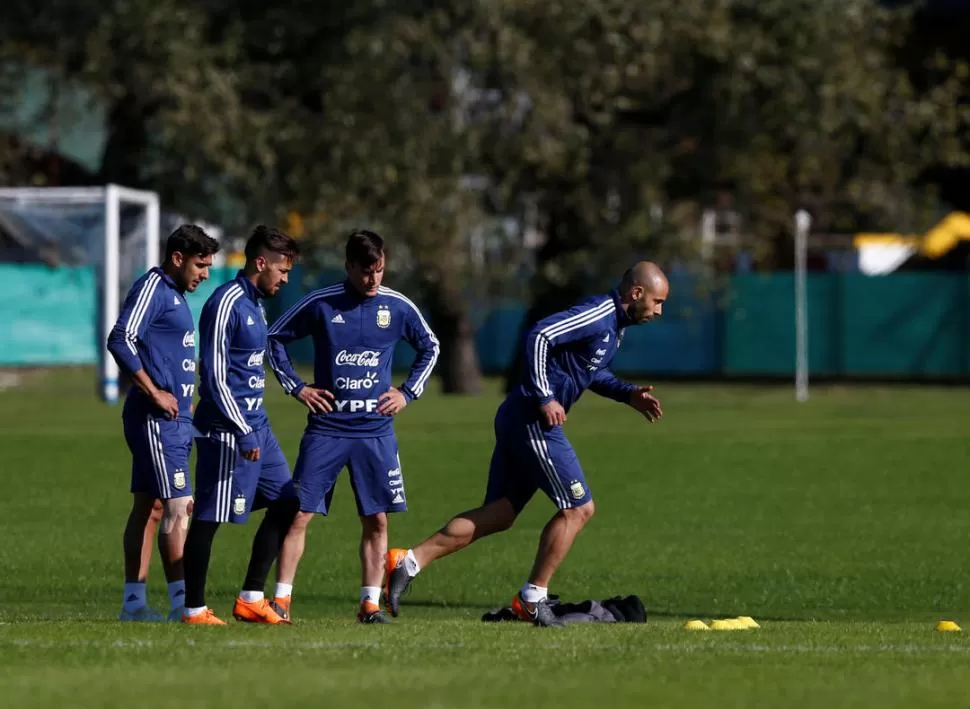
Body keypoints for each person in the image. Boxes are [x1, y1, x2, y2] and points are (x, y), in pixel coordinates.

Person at [385, 262, 669, 626]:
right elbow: (540, 334)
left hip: (520, 417)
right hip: (533, 420)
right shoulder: (599, 314)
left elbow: (590, 369)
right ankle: (533, 598)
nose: (659, 311)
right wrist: (545, 396)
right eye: (658, 302)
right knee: (578, 508)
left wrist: (627, 394)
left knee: (500, 514)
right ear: (637, 293)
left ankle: (406, 562)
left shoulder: (615, 329)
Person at [266, 229, 439, 624]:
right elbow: (274, 338)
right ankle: (281, 602)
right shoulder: (321, 303)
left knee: (377, 519)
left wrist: (408, 393)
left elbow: (431, 346)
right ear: (348, 267)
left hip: (375, 432)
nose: (374, 279)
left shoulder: (396, 306)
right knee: (299, 514)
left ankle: (370, 604)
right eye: (365, 272)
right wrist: (298, 388)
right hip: (327, 429)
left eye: (379, 270)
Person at [180, 225, 301, 625]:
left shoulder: (256, 304)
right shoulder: (226, 302)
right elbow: (214, 375)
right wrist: (242, 428)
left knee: (287, 501)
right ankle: (194, 609)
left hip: (258, 425)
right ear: (261, 263)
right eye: (282, 271)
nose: (285, 280)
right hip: (228, 430)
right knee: (211, 516)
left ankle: (251, 596)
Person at [106, 224, 220, 621]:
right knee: (179, 506)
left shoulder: (173, 294)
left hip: (173, 420)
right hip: (155, 419)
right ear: (177, 258)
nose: (205, 274)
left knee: (151, 508)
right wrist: (154, 392)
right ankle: (184, 605)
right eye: (200, 265)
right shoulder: (153, 288)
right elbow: (120, 338)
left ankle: (134, 604)